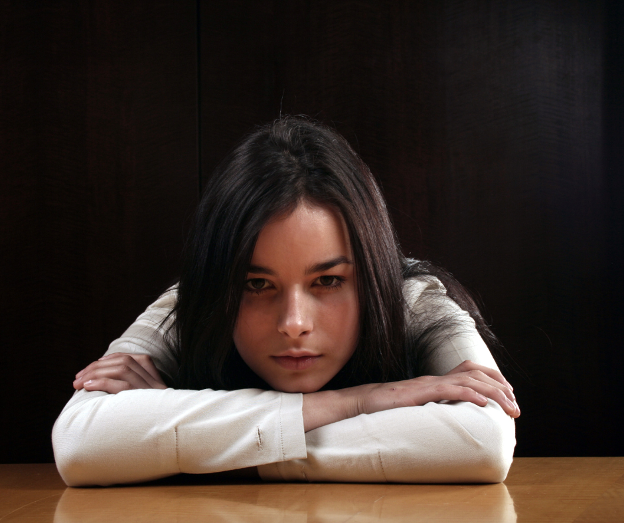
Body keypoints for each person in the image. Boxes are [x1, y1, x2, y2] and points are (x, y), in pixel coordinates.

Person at [53, 116, 519, 487]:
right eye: (256, 285)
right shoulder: (190, 304)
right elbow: (82, 442)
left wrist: (199, 450)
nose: (294, 323)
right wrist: (361, 402)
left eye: (328, 281)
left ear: (373, 273)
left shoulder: (414, 301)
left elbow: (482, 441)